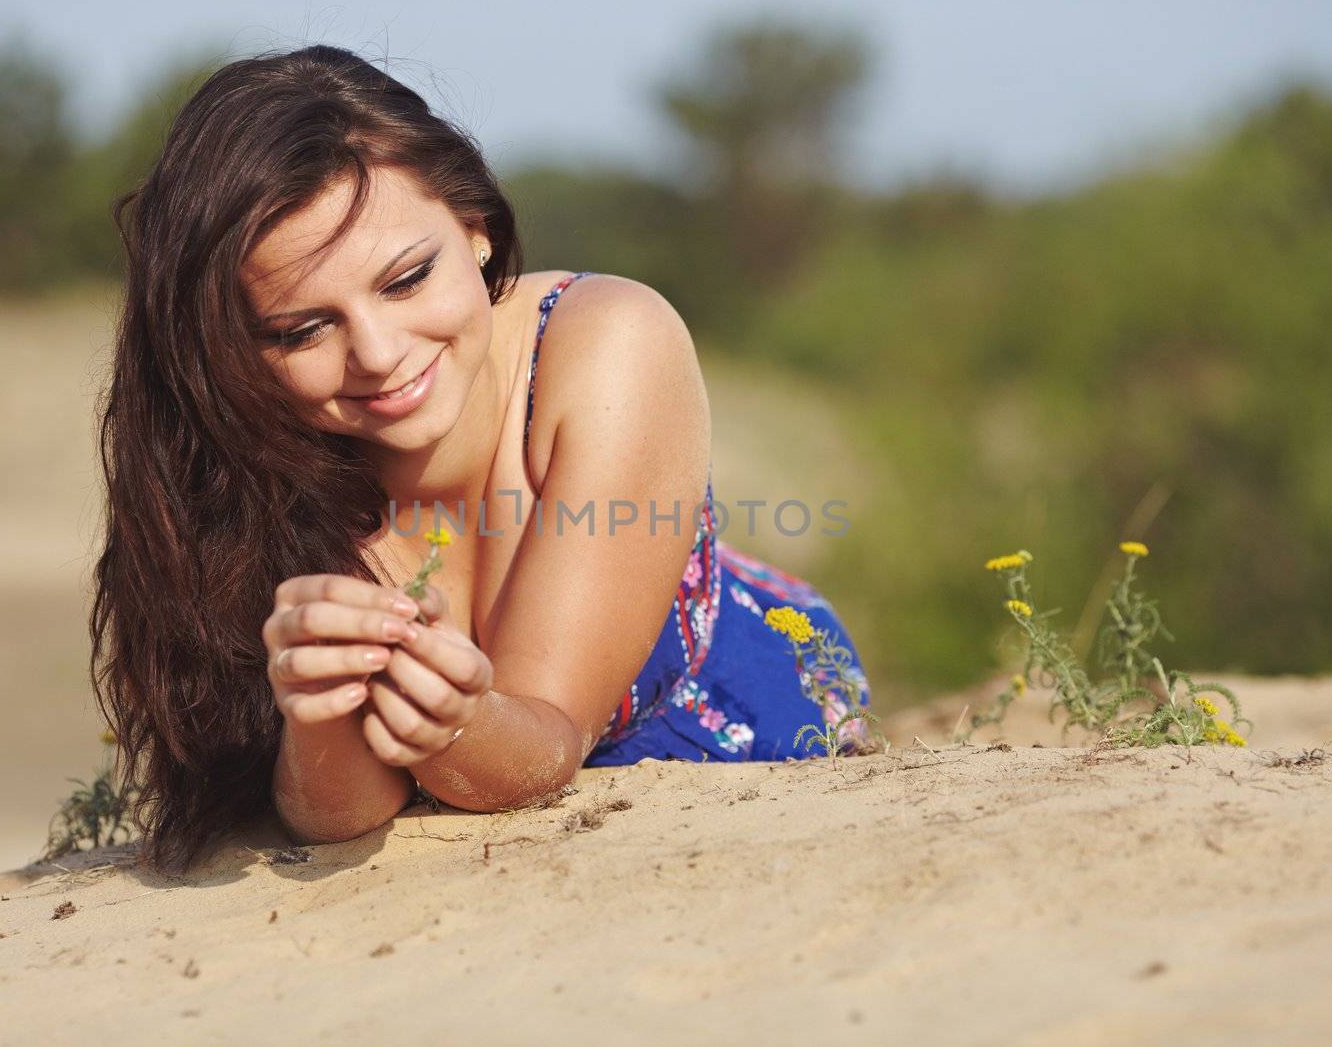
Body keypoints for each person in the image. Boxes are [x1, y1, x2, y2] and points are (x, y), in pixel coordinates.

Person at [93, 44, 873, 877]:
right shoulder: (248, 474)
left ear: (476, 228)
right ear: (234, 351)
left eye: (406, 279)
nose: (380, 352)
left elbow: (543, 745)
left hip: (740, 761)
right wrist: (321, 715)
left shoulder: (608, 347)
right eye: (301, 330)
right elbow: (343, 816)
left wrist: (453, 723)